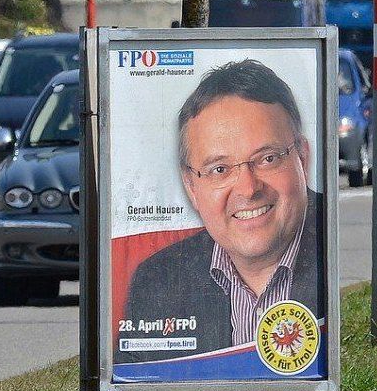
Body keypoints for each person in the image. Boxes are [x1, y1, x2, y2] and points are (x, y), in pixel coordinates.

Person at [119, 59, 322, 363]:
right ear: (191, 186)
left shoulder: (343, 255)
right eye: (220, 169)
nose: (247, 188)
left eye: (267, 159)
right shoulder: (159, 281)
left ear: (302, 159)